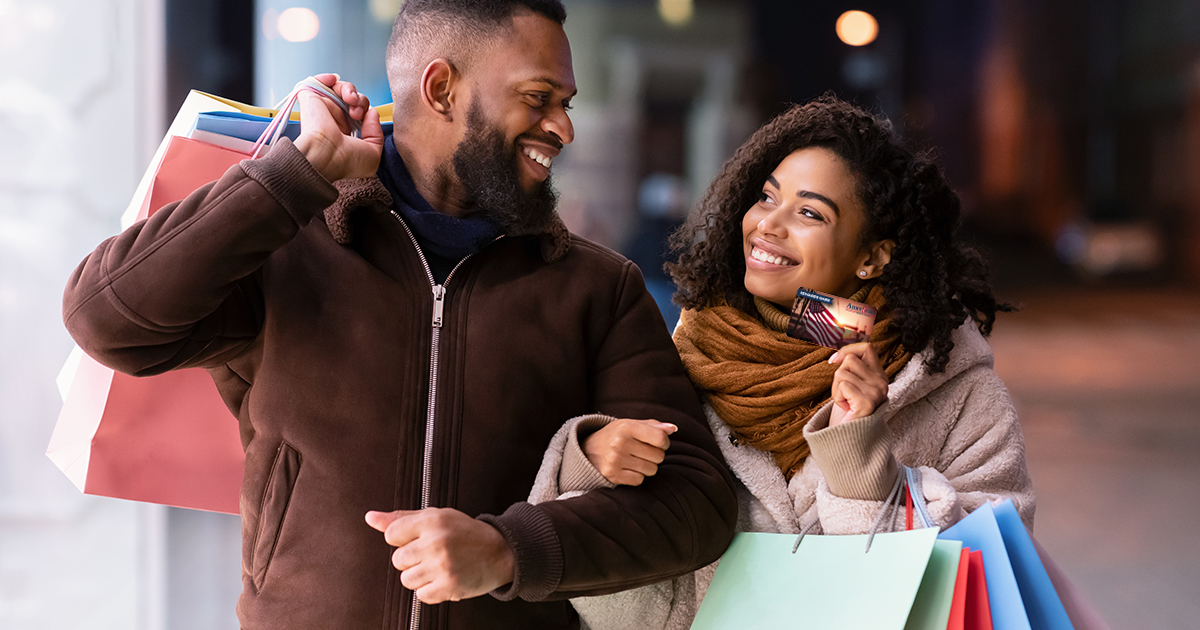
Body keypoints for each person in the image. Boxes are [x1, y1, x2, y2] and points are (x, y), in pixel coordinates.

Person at [62, 1, 738, 628]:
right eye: (538, 99)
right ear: (441, 89)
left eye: (565, 104)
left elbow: (697, 505)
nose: (562, 128)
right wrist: (294, 177)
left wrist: (509, 550)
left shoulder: (596, 287)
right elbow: (107, 320)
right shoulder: (289, 248)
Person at [527, 96, 1034, 629]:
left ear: (872, 257)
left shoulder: (962, 397)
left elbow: (980, 592)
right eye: (767, 197)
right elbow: (621, 610)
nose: (769, 224)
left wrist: (864, 468)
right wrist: (593, 469)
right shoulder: (683, 356)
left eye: (810, 212)